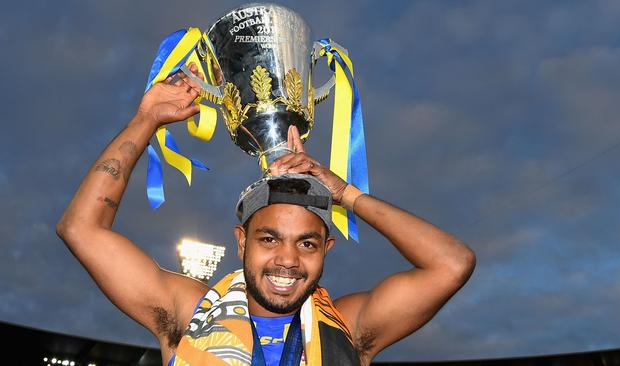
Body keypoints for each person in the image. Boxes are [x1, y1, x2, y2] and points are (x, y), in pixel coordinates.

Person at [57, 63, 476, 366]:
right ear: (242, 240)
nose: (288, 260)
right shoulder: (187, 312)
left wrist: (345, 193)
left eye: (307, 243)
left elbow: (452, 263)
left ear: (327, 248)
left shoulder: (350, 329)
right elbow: (80, 228)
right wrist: (146, 119)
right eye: (269, 238)